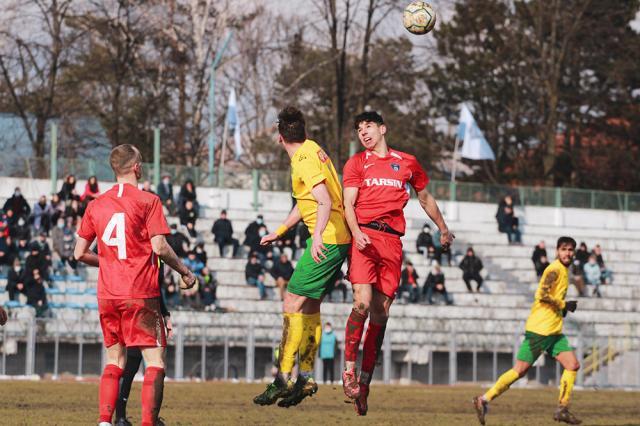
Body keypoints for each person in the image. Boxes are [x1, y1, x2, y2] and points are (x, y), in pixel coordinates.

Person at [73, 144, 196, 426]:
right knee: (155, 362)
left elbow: (79, 253)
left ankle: (105, 422)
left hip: (107, 294)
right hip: (140, 293)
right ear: (137, 167)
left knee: (114, 361)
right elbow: (160, 246)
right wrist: (185, 272)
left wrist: (109, 261)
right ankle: (148, 423)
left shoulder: (95, 204)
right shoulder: (148, 201)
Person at [341, 111, 453, 415]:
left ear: (382, 128)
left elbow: (425, 197)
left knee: (380, 314)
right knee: (362, 303)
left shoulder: (406, 162)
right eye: (359, 129)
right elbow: (347, 203)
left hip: (391, 243)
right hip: (364, 237)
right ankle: (348, 372)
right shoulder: (356, 163)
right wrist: (355, 233)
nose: (363, 133)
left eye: (368, 127)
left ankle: (364, 385)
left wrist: (443, 228)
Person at [253, 107, 351, 408]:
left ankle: (282, 378)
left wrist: (318, 235)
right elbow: (307, 201)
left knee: (290, 302)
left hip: (328, 240)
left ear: (281, 138)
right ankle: (305, 377)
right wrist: (280, 231)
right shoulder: (313, 148)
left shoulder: (302, 160)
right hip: (338, 239)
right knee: (309, 307)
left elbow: (322, 200)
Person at [473, 236, 581, 425]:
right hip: (539, 331)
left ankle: (563, 408)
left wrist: (562, 309)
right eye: (564, 249)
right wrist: (564, 304)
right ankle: (483, 399)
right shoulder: (554, 269)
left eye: (571, 250)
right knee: (519, 371)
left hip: (554, 332)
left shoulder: (564, 270)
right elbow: (542, 294)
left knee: (572, 365)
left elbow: (551, 297)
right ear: (557, 251)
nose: (568, 253)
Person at [114, 262, 172, 426]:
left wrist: (165, 314)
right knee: (151, 365)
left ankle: (120, 417)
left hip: (142, 310)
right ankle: (143, 419)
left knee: (133, 366)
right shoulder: (148, 254)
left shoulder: (154, 256)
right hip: (140, 311)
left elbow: (156, 290)